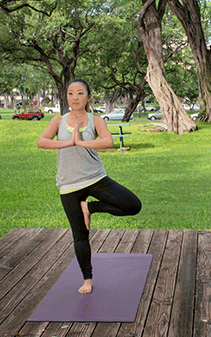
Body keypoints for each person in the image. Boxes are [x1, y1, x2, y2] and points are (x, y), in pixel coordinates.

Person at [38, 79, 142, 294]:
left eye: (80, 93)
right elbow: (43, 142)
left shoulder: (96, 120)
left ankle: (90, 208)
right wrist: (69, 142)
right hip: (69, 185)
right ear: (66, 97)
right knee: (80, 235)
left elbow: (107, 142)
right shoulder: (58, 120)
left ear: (88, 97)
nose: (75, 97)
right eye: (71, 93)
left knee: (132, 205)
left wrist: (81, 142)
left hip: (95, 178)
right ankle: (87, 279)